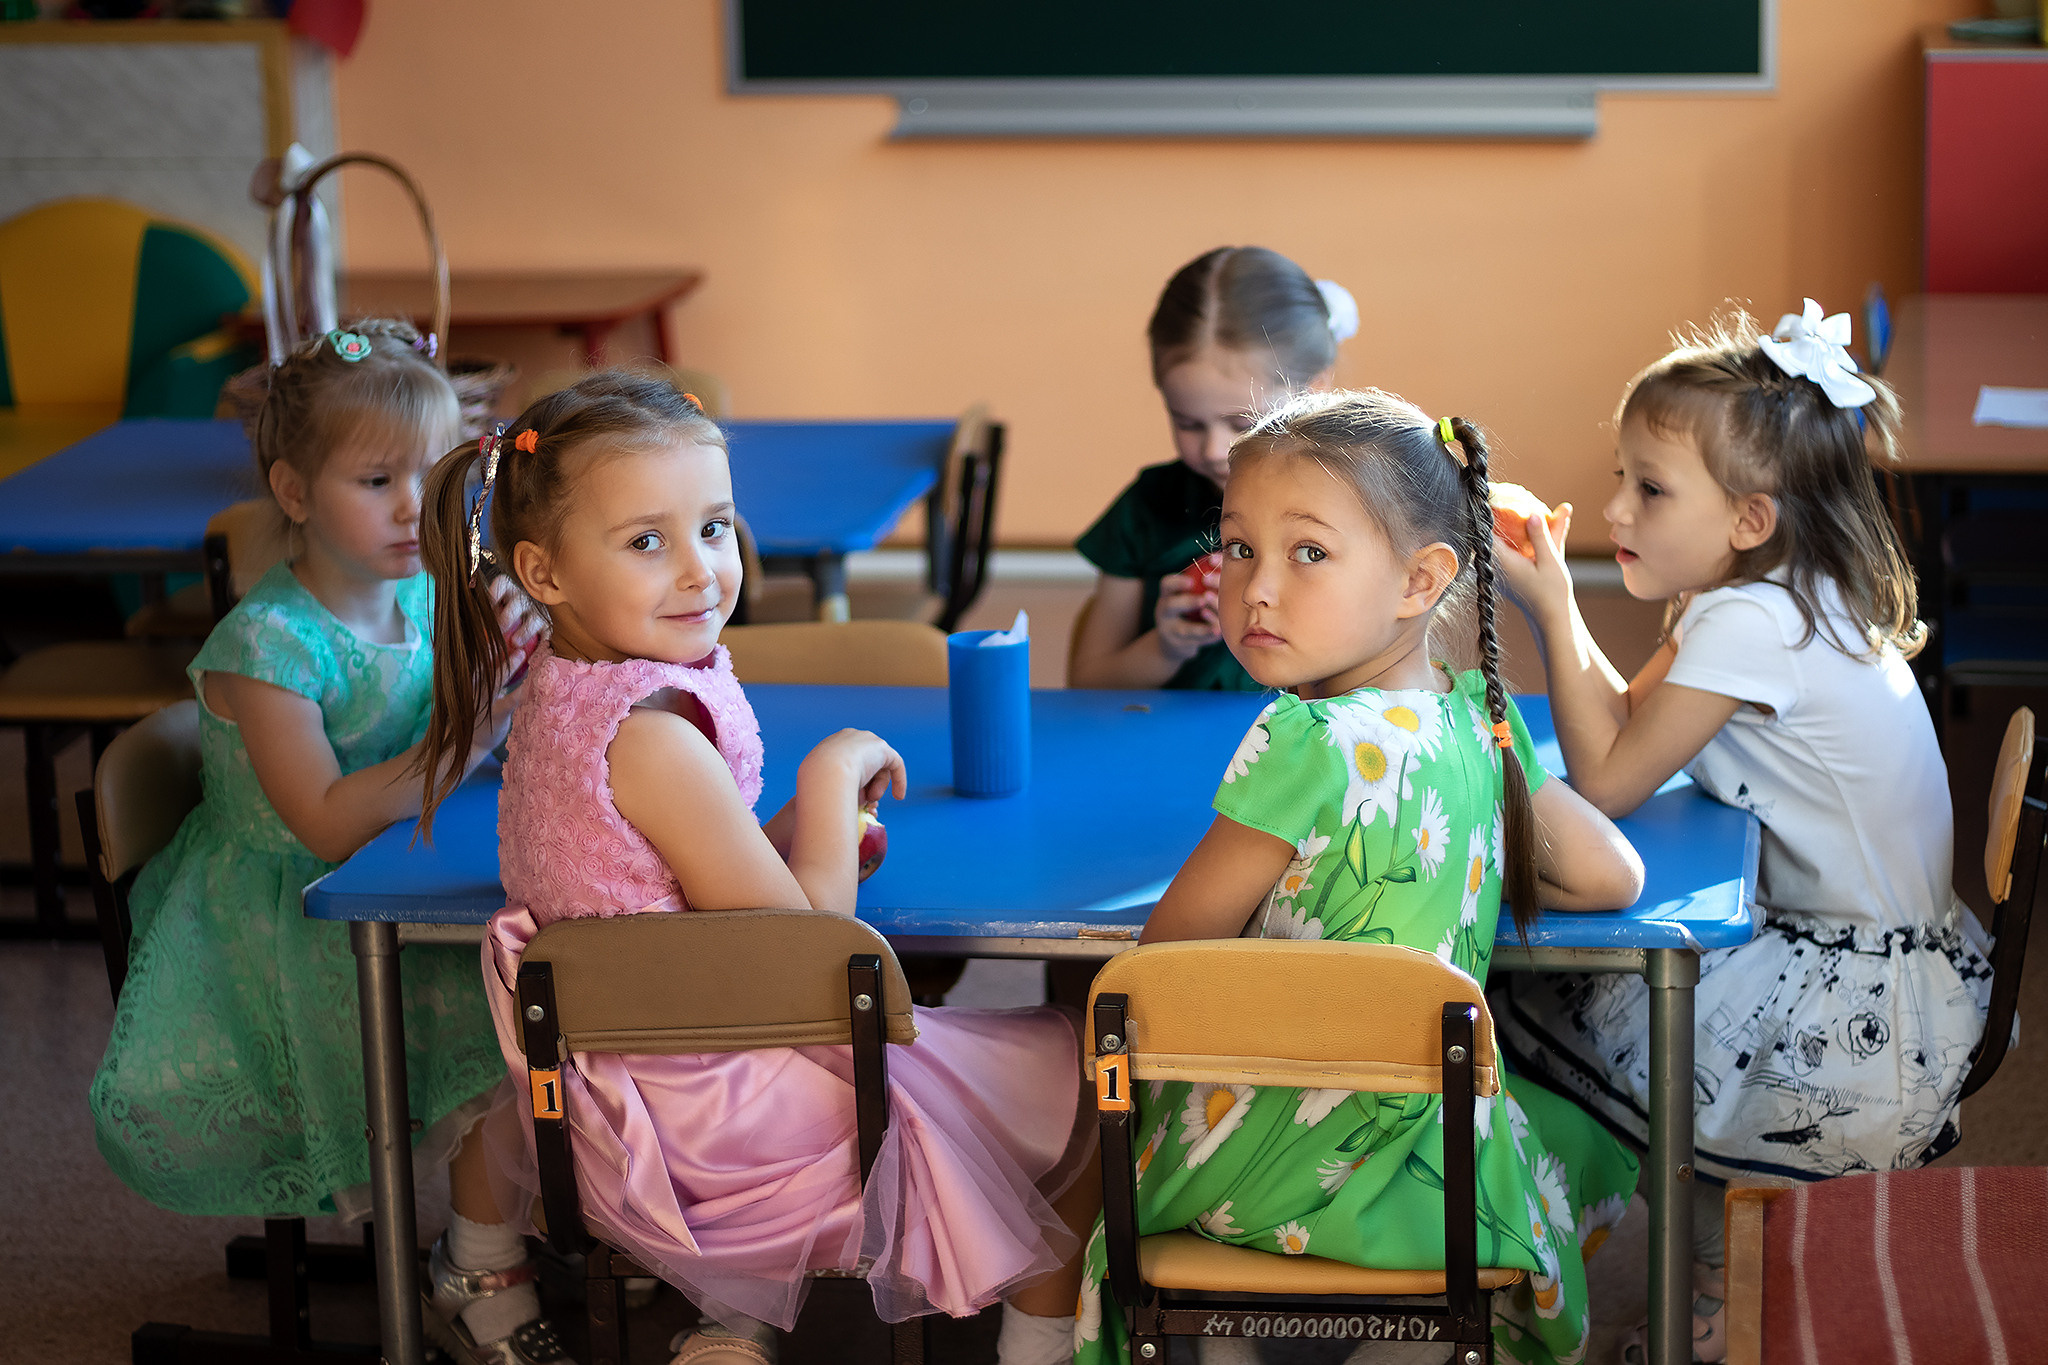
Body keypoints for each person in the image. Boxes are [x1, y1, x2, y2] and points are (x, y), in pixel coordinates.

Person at [416, 372, 1098, 1365]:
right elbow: (808, 959)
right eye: (646, 542)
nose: (700, 571)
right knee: (1086, 1078)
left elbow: (675, 869)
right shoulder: (649, 738)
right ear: (543, 571)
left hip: (610, 1099)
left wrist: (784, 833)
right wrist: (831, 775)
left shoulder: (566, 689)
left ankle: (715, 1320)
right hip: (720, 1127)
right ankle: (1037, 1351)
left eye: (713, 527)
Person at [1072, 389, 1646, 1365]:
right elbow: (1611, 876)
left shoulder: (1302, 738)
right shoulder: (1475, 722)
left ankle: (1218, 1338)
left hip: (1253, 1165)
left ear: (1420, 580)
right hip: (1438, 1174)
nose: (1255, 589)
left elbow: (1161, 971)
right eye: (1238, 547)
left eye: (1307, 552)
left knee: (1091, 1096)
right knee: (1574, 1137)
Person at [1490, 302, 1994, 1362]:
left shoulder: (1748, 621)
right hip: (1885, 953)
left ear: (1751, 518)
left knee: (1537, 992)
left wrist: (1548, 607)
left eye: (1650, 488)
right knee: (1576, 982)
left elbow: (1607, 778)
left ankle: (1717, 1284)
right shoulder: (1766, 594)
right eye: (1621, 476)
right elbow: (1625, 729)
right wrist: (1559, 591)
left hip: (1851, 1001)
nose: (1615, 508)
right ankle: (1706, 1250)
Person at [87, 322, 567, 1365]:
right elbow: (324, 818)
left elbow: (474, 726)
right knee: (503, 1017)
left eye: (431, 477)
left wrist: (526, 667)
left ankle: (515, 1228)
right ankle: (478, 1270)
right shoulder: (266, 644)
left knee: (551, 980)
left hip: (395, 877)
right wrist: (474, 729)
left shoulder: (424, 596)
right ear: (293, 492)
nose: (411, 506)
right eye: (376, 479)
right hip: (284, 922)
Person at [1068, 245, 1356, 692]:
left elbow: (1379, 684)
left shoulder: (1352, 510)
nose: (1214, 450)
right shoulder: (1147, 510)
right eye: (1187, 423)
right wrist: (1165, 647)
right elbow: (1089, 684)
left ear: (1314, 390)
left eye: (1242, 424)